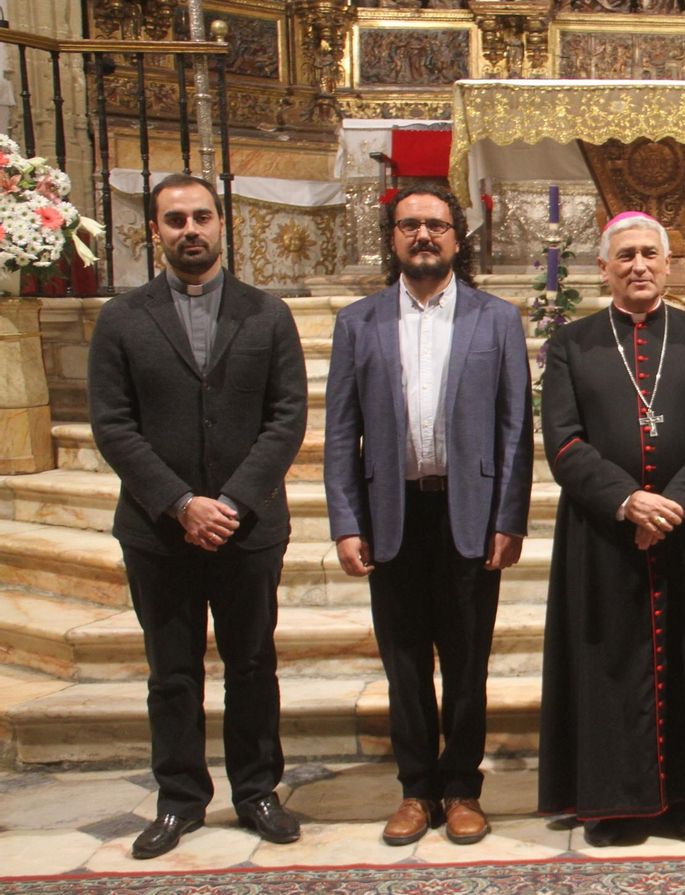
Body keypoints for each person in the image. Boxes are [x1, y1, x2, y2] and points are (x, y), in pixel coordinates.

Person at [89, 173, 307, 858]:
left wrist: (233, 502)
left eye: (202, 217)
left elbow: (287, 418)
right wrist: (182, 504)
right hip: (159, 532)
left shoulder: (267, 314)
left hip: (248, 528)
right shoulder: (122, 318)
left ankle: (256, 792)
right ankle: (180, 799)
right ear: (155, 230)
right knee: (172, 671)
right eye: (175, 219)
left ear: (222, 225)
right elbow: (113, 425)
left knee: (251, 665)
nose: (191, 230)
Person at [536, 211, 685, 847]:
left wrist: (676, 504)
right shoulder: (572, 343)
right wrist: (629, 502)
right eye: (625, 256)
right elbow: (563, 439)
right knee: (607, 660)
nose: (638, 266)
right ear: (602, 269)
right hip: (604, 533)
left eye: (649, 255)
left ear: (668, 265)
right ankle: (614, 802)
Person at [323, 184, 533, 846]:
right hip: (393, 512)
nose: (423, 236)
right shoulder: (358, 323)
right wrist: (345, 519)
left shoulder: (495, 319)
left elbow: (514, 429)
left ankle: (463, 789)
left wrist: (511, 516)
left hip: (468, 511)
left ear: (457, 238)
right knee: (405, 660)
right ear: (391, 238)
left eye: (437, 226)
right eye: (410, 225)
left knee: (467, 662)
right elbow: (338, 432)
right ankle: (416, 791)